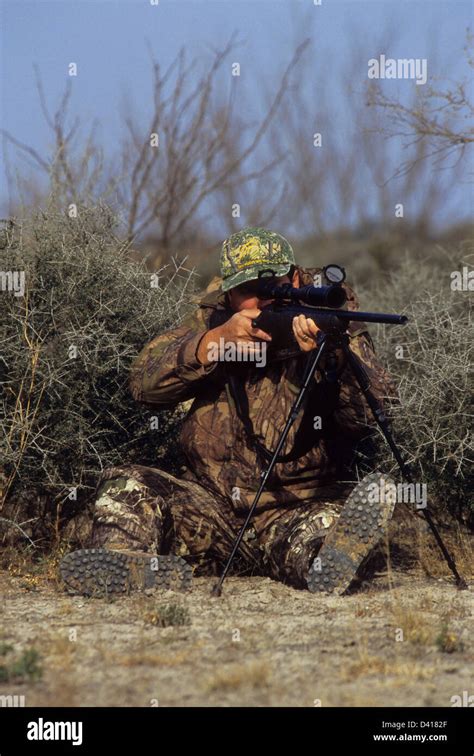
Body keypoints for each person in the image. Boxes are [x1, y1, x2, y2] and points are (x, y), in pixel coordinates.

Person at [60, 227, 397, 597]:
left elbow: (372, 418)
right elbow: (143, 385)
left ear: (296, 278)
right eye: (247, 291)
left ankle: (326, 563)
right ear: (228, 293)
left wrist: (333, 355)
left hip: (295, 507)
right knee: (130, 485)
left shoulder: (331, 322)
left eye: (274, 284)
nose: (262, 300)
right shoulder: (212, 322)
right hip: (208, 506)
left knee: (324, 532)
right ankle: (124, 566)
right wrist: (212, 345)